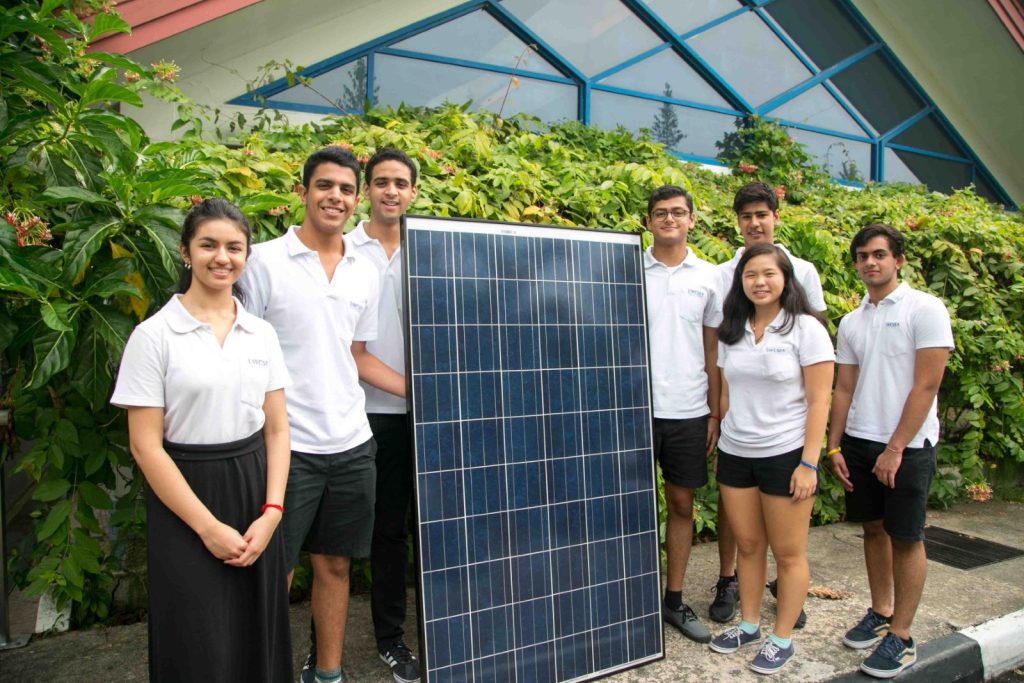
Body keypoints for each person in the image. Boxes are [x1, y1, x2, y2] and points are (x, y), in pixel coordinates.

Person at [240, 146, 405, 683]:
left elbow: (357, 357)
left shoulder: (364, 272)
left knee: (335, 565)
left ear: (355, 201)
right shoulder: (263, 262)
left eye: (345, 190)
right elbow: (242, 352)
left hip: (353, 443)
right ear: (304, 191)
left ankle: (328, 674)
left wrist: (422, 393)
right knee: (275, 573)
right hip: (289, 447)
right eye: (325, 186)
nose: (336, 197)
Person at [111, 198, 292, 682]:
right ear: (185, 252)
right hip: (185, 498)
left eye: (235, 247)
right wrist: (208, 528)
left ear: (247, 256)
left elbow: (276, 428)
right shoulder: (154, 336)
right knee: (197, 640)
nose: (222, 257)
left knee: (259, 636)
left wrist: (272, 513)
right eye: (208, 244)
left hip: (255, 494)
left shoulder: (261, 334)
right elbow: (145, 447)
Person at [827, 224, 953, 679]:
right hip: (859, 441)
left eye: (878, 254)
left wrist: (896, 447)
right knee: (873, 530)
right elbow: (843, 387)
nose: (869, 263)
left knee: (906, 536)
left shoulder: (926, 309)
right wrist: (835, 444)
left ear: (898, 259)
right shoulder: (852, 320)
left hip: (908, 445)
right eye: (862, 256)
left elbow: (927, 383)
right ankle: (880, 611)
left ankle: (901, 636)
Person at [708, 244, 834, 675]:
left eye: (768, 274)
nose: (759, 282)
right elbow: (726, 392)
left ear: (785, 279)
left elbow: (820, 401)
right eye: (750, 275)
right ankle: (748, 625)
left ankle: (782, 638)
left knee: (789, 552)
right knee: (747, 545)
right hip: (736, 453)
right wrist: (722, 434)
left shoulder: (806, 329)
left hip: (786, 455)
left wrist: (809, 463)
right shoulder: (733, 329)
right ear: (740, 283)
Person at [345, 147, 420, 682]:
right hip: (371, 414)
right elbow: (348, 349)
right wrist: (420, 390)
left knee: (442, 529)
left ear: (413, 192)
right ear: (366, 191)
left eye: (400, 182)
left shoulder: (433, 247)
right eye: (380, 182)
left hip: (436, 417)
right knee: (387, 532)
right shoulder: (344, 251)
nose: (390, 190)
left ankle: (450, 628)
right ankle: (390, 638)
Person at [642, 185, 722, 644]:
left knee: (681, 505)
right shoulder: (628, 271)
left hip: (689, 411)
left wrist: (714, 411)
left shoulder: (710, 277)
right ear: (649, 223)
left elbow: (713, 349)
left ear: (692, 219)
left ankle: (673, 599)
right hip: (630, 409)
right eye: (660, 213)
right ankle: (627, 595)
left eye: (677, 212)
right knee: (625, 509)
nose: (669, 219)